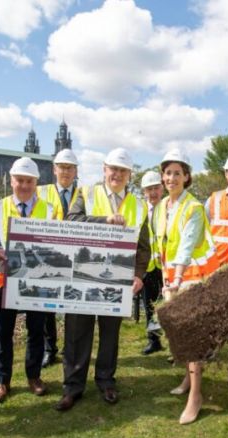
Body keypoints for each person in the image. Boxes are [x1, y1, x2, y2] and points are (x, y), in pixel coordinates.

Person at [55, 148, 151, 411]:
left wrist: (139, 275)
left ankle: (106, 381)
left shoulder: (139, 205)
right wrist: (105, 220)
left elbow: (144, 246)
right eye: (113, 169)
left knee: (110, 334)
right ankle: (72, 387)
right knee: (76, 333)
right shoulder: (86, 193)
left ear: (129, 174)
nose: (117, 174)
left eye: (122, 170)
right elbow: (71, 221)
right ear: (104, 170)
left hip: (117, 279)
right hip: (83, 277)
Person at [152, 148, 220, 424]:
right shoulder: (161, 207)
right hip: (174, 276)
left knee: (192, 337)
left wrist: (177, 280)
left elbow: (187, 245)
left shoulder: (193, 207)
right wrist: (167, 278)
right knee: (180, 334)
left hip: (193, 276)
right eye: (167, 173)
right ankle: (188, 380)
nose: (171, 178)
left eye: (177, 173)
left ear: (187, 177)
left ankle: (196, 397)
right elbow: (163, 245)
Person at [0, 157, 58, 404]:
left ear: (36, 182)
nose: (24, 185)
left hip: (37, 281)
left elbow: (57, 243)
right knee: (2, 334)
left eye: (29, 181)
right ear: (11, 180)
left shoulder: (50, 209)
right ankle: (3, 381)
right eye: (20, 180)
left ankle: (34, 377)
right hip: (3, 280)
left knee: (36, 331)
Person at [36, 149, 80, 368]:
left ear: (76, 171)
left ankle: (70, 349)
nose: (66, 171)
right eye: (62, 167)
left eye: (70, 167)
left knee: (74, 304)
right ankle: (49, 348)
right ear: (54, 169)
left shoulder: (85, 194)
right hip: (50, 256)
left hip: (76, 257)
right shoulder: (41, 193)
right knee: (47, 306)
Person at [140, 170, 165, 355]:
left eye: (156, 188)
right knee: (149, 306)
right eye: (149, 189)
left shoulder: (169, 207)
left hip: (167, 266)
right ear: (144, 192)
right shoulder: (139, 210)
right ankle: (154, 340)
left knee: (170, 305)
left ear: (162, 188)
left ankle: (173, 342)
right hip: (148, 266)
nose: (153, 192)